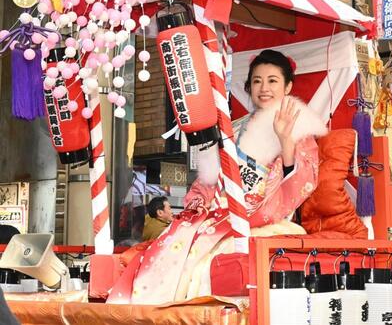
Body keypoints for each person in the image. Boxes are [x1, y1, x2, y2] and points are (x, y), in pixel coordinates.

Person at [107, 49, 327, 305]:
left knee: (206, 258)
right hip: (221, 213)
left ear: (287, 86)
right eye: (257, 81)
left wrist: (285, 140)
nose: (264, 88)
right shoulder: (232, 129)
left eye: (272, 80)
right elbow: (209, 180)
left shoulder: (299, 131)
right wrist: (201, 204)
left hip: (265, 218)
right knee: (176, 238)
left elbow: (298, 183)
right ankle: (152, 308)